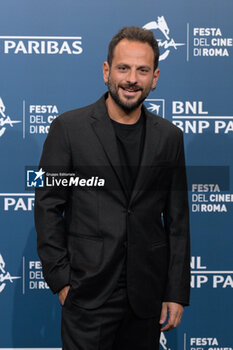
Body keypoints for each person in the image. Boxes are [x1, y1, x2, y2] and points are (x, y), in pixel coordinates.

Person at [34, 26, 190, 350]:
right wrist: (62, 281)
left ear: (155, 77)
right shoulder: (68, 129)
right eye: (123, 68)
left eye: (142, 70)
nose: (132, 78)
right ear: (107, 71)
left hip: (145, 299)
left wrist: (175, 291)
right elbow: (47, 205)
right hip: (87, 294)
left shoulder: (170, 138)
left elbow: (177, 222)